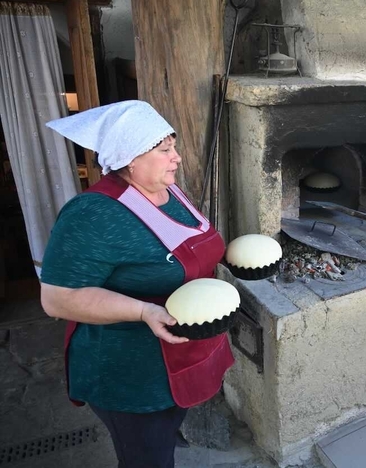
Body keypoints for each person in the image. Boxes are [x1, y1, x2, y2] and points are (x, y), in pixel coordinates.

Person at [41, 100, 234, 467]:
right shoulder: (93, 214)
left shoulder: (167, 191)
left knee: (164, 438)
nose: (177, 156)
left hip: (183, 355)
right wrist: (143, 310)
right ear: (130, 158)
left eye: (173, 146)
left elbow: (181, 254)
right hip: (132, 376)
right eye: (164, 150)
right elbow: (57, 299)